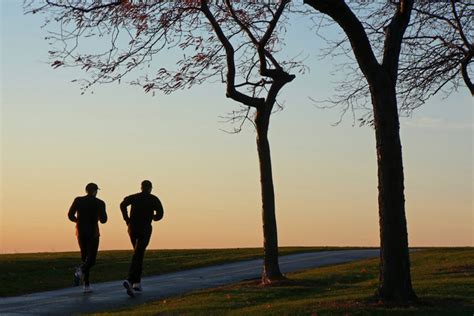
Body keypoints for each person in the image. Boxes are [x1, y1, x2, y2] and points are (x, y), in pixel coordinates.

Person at [120, 180, 164, 297]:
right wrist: (154, 217)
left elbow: (122, 204)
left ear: (141, 187)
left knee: (138, 253)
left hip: (132, 228)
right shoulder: (153, 199)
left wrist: (127, 219)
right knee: (138, 254)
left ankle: (137, 283)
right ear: (150, 188)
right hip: (144, 228)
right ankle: (130, 280)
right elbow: (160, 213)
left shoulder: (134, 197)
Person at [68, 182, 107, 293]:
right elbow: (104, 220)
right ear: (95, 191)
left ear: (86, 190)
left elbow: (70, 215)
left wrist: (78, 221)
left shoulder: (78, 200)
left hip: (80, 231)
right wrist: (98, 216)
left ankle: (86, 284)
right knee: (92, 259)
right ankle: (81, 272)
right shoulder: (100, 203)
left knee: (84, 256)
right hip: (93, 232)